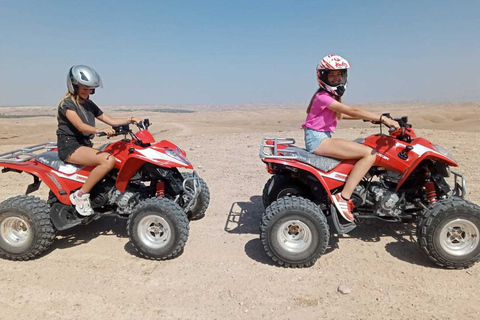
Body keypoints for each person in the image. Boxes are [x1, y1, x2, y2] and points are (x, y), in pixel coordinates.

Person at [302, 54, 400, 223]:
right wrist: (382, 119)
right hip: (318, 140)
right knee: (370, 154)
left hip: (320, 137)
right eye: (332, 75)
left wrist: (368, 118)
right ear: (323, 77)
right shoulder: (322, 97)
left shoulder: (326, 97)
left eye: (339, 74)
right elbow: (351, 110)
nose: (336, 78)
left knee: (363, 143)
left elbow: (339, 115)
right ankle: (344, 198)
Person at [56, 65, 142, 216]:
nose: (88, 91)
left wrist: (131, 119)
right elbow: (80, 125)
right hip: (70, 147)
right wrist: (99, 130)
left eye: (90, 89)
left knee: (120, 153)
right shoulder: (67, 104)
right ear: (73, 85)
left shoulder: (88, 104)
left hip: (84, 145)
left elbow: (108, 119)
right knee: (108, 160)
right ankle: (81, 195)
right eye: (84, 88)